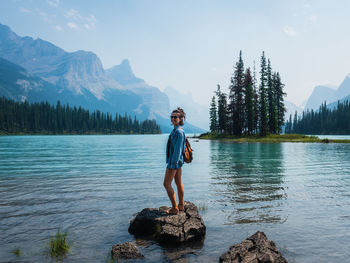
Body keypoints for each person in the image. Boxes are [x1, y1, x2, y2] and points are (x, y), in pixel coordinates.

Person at [164, 107, 186, 215]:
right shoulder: (177, 130)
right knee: (178, 183)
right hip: (178, 162)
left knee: (166, 184)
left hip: (174, 163)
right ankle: (181, 206)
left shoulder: (178, 132)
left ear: (181, 118)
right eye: (172, 117)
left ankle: (174, 208)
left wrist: (172, 165)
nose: (173, 118)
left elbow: (177, 150)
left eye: (175, 117)